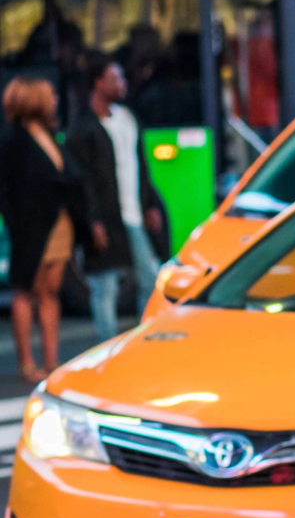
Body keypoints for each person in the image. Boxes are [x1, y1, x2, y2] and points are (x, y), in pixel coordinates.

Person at [65, 55, 169, 341]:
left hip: (133, 213)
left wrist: (149, 204)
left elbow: (140, 166)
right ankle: (108, 348)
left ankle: (144, 339)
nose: (122, 84)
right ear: (98, 83)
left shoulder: (128, 119)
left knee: (152, 278)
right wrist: (92, 220)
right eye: (115, 79)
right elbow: (82, 182)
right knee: (105, 287)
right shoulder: (82, 128)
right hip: (106, 218)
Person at [0, 77, 88, 382]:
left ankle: (51, 361)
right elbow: (7, 189)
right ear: (33, 100)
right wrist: (15, 222)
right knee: (26, 291)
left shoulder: (50, 135)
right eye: (49, 96)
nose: (54, 101)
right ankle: (27, 363)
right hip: (30, 227)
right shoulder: (13, 139)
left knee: (51, 291)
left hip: (58, 224)